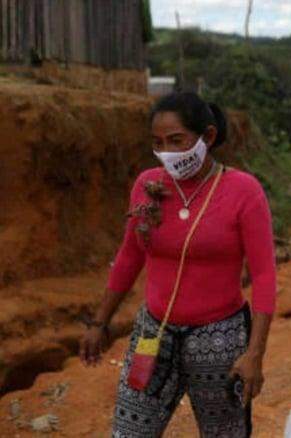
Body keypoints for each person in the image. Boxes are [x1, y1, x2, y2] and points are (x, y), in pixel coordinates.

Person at [78, 92, 276, 437]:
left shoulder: (243, 190)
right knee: (129, 431)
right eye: (158, 143)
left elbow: (264, 275)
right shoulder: (148, 186)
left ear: (208, 137)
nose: (167, 151)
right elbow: (129, 256)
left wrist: (255, 353)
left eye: (176, 141)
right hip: (153, 334)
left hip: (220, 341)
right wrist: (99, 322)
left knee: (224, 432)